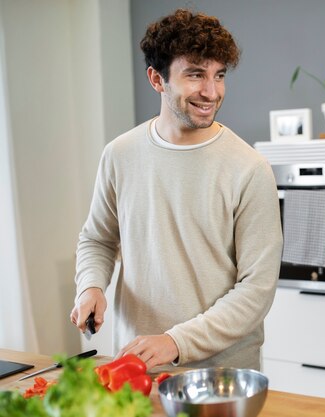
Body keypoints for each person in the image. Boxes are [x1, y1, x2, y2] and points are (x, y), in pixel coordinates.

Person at [70, 9, 283, 371]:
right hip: (136, 367)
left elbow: (256, 289)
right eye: (195, 75)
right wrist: (91, 286)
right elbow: (98, 239)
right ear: (157, 79)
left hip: (221, 376)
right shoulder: (119, 154)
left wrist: (176, 341)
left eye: (219, 75)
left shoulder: (249, 168)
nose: (211, 92)